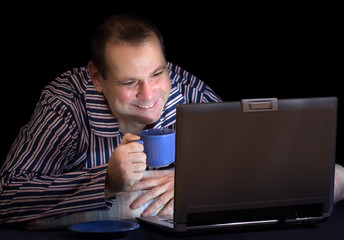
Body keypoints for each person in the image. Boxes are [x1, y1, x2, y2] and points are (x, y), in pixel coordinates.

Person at [0, 13, 343, 229]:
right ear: (97, 77)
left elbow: (250, 154)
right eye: (129, 82)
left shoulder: (182, 87)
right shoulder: (65, 105)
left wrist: (195, 177)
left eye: (157, 73)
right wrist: (105, 183)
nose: (150, 95)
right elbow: (6, 195)